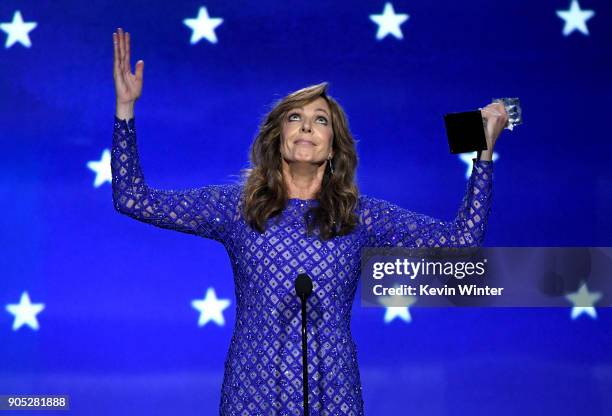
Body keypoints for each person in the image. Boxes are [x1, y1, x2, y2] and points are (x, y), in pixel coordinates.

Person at [111, 28, 507, 416]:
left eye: (320, 120)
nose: (306, 126)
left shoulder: (358, 216)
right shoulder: (238, 208)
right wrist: (126, 109)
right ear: (277, 138)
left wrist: (483, 157)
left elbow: (462, 239)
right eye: (295, 117)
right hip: (253, 392)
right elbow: (132, 198)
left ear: (334, 146)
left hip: (331, 391)